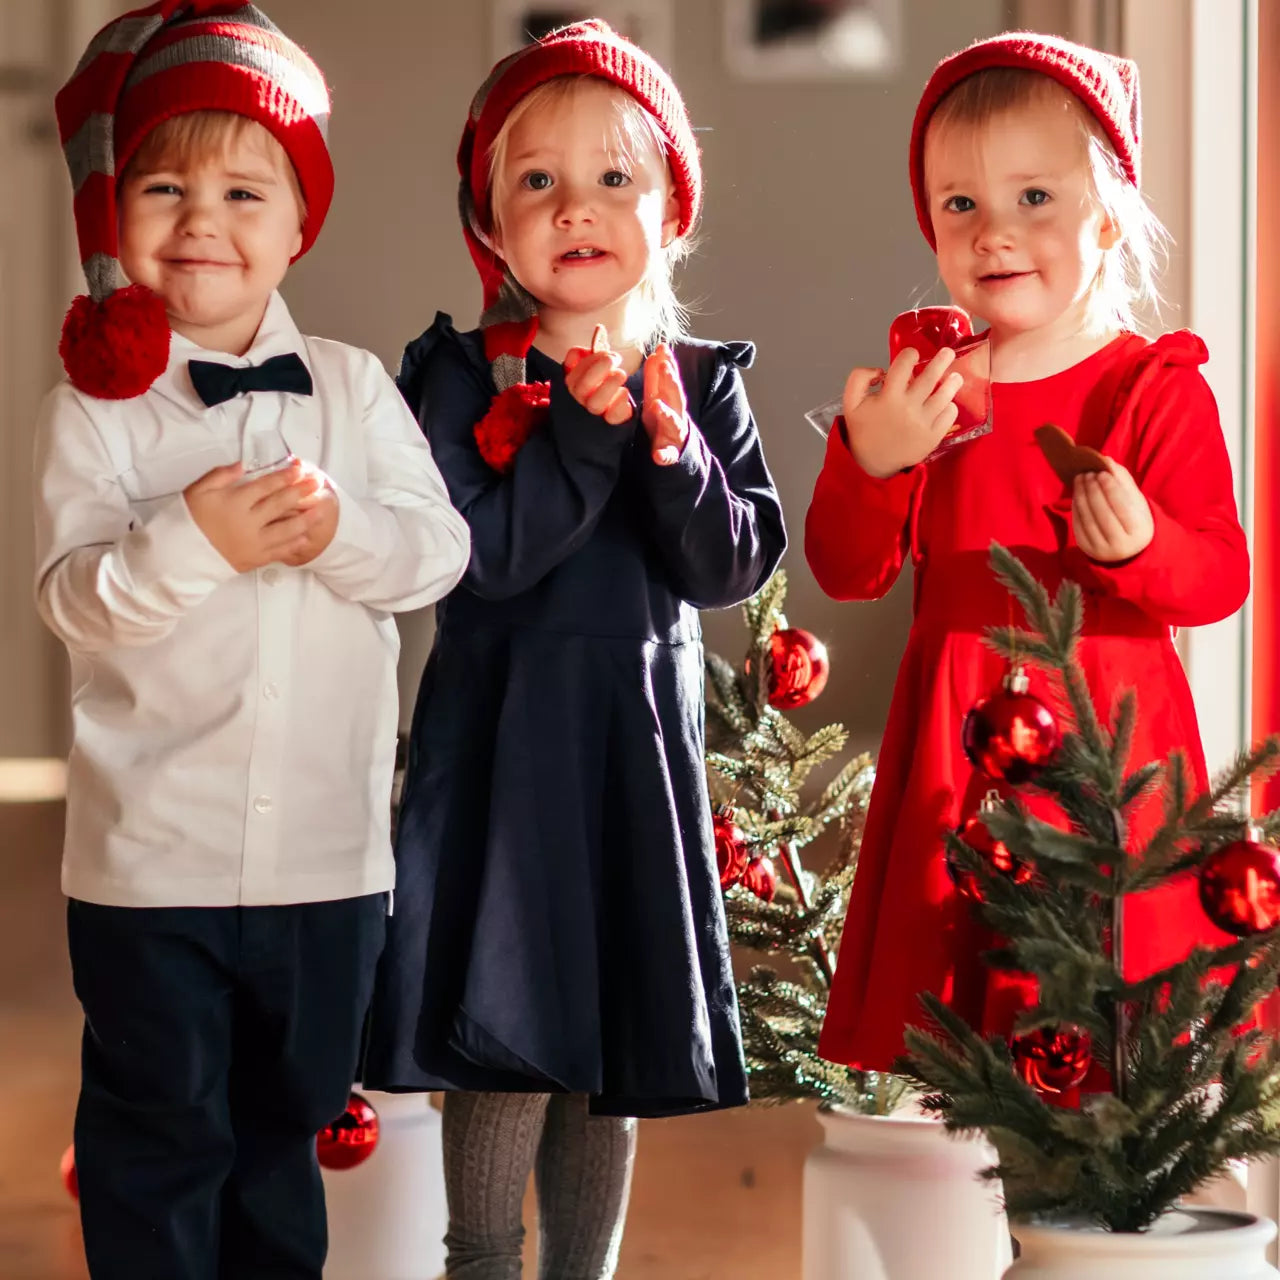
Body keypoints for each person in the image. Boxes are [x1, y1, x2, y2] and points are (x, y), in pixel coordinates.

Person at [33, 4, 469, 1276]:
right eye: (162, 187)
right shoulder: (94, 413)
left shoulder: (350, 386)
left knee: (281, 1133)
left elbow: (437, 553)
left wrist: (335, 531)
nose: (201, 220)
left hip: (325, 865)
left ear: (296, 226)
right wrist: (197, 541)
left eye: (241, 191)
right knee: (158, 1135)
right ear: (115, 215)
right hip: (148, 865)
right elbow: (73, 598)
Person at [361, 21, 786, 1278]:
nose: (575, 207)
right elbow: (483, 557)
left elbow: (728, 566)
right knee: (505, 1022)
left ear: (672, 213)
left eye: (613, 178)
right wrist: (586, 440)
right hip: (503, 750)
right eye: (536, 180)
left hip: (630, 754)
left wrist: (666, 447)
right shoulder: (456, 377)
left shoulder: (696, 381)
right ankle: (481, 1260)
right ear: (489, 221)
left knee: (605, 1037)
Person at [805, 32, 1248, 1075]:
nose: (993, 231)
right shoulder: (930, 385)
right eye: (959, 204)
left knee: (1108, 1030)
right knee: (973, 1041)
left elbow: (1218, 576)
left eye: (1033, 198)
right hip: (957, 745)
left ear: (1107, 216)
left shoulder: (1151, 388)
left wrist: (1142, 545)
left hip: (1105, 746)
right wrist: (873, 462)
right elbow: (846, 570)